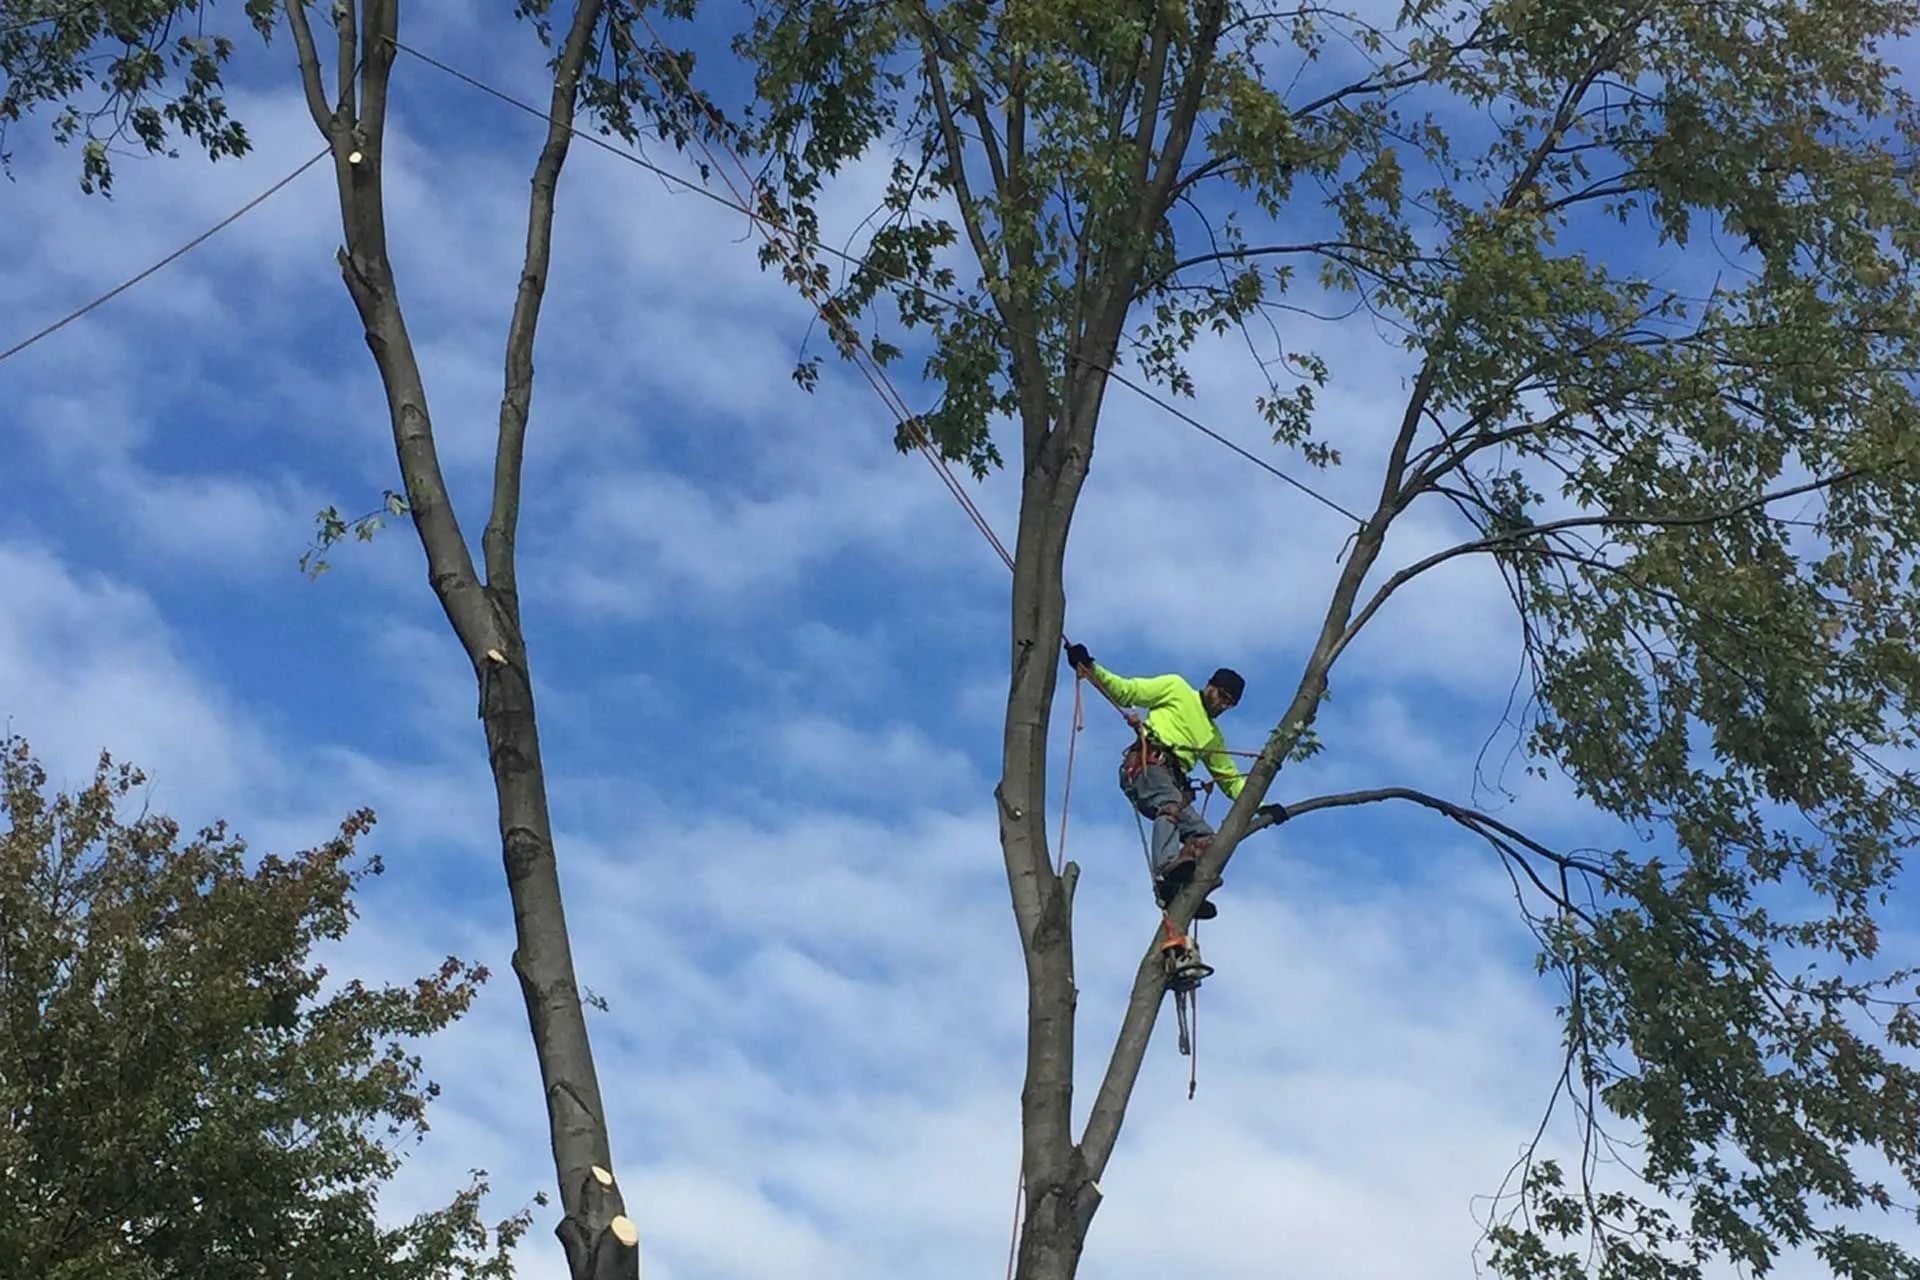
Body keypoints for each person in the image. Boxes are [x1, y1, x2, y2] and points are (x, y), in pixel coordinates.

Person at [1065, 641, 1277, 919]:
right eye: (1221, 696)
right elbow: (1127, 690)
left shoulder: (1213, 737)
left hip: (1171, 782)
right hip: (1147, 765)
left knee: (1208, 839)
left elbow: (1231, 781)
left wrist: (1262, 806)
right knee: (1171, 805)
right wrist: (1090, 666)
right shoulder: (1176, 689)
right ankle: (1167, 868)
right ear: (1210, 686)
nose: (1222, 705)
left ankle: (1186, 891)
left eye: (1230, 703)